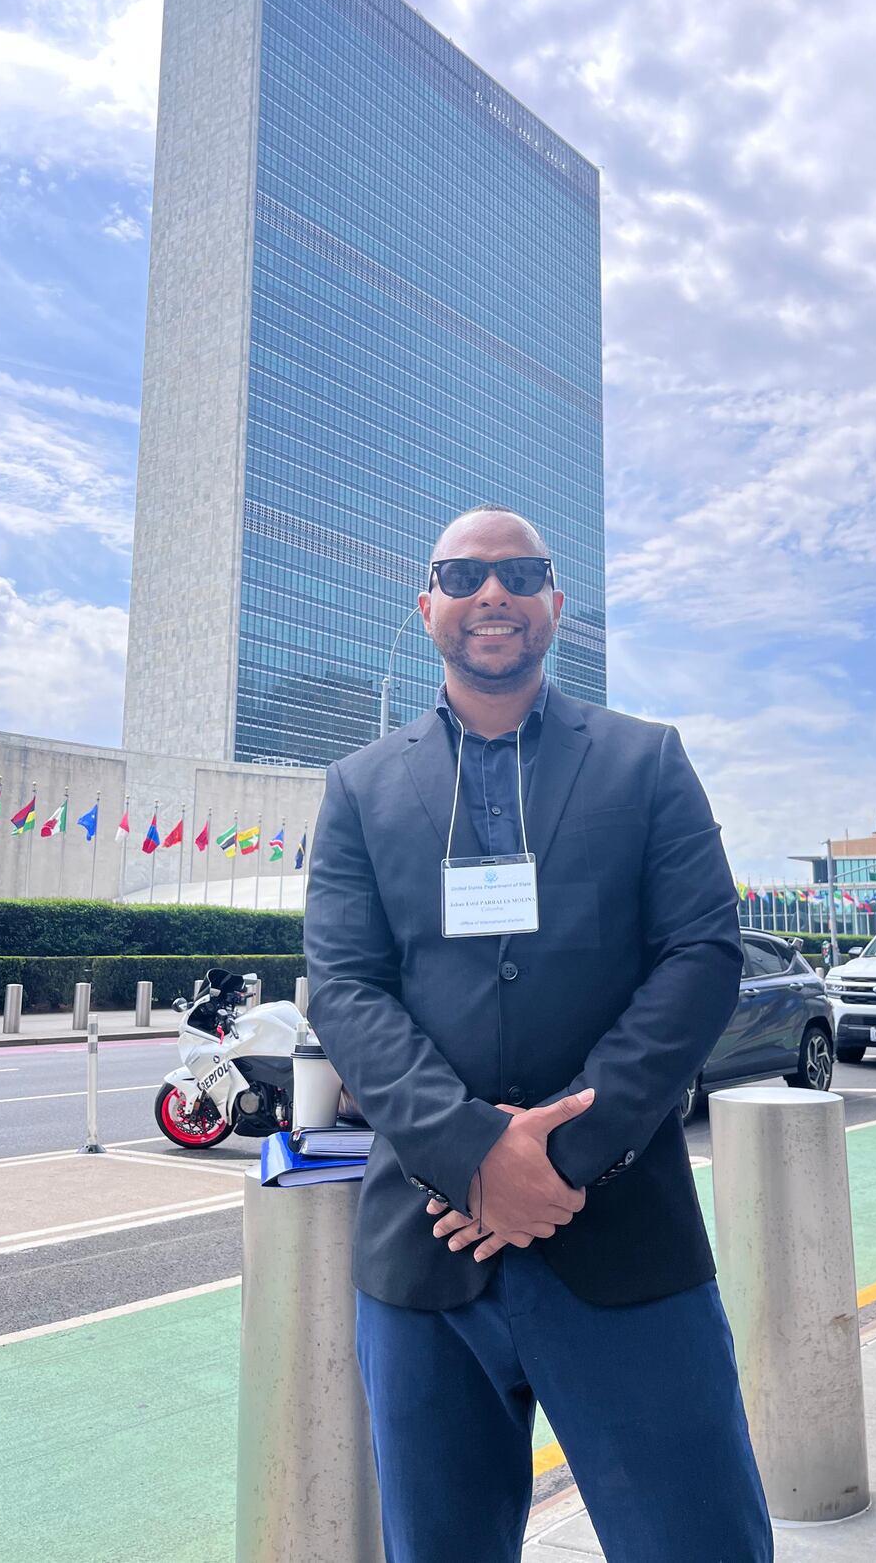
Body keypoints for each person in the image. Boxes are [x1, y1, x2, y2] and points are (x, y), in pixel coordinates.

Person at [304, 503, 772, 1563]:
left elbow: (699, 957)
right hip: (425, 1252)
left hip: (622, 1239)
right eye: (462, 574)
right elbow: (345, 987)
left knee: (695, 1543)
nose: (492, 595)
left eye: (519, 574)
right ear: (424, 602)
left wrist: (554, 1159)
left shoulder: (646, 762)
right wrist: (470, 1155)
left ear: (556, 601)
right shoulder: (359, 787)